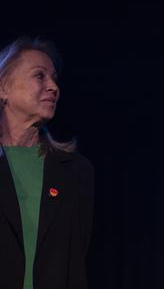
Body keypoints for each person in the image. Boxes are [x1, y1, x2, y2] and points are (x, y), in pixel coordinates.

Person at [0, 37, 94, 289]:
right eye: (40, 76)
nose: (53, 86)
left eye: (54, 78)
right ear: (3, 88)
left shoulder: (76, 172)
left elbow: (76, 260)